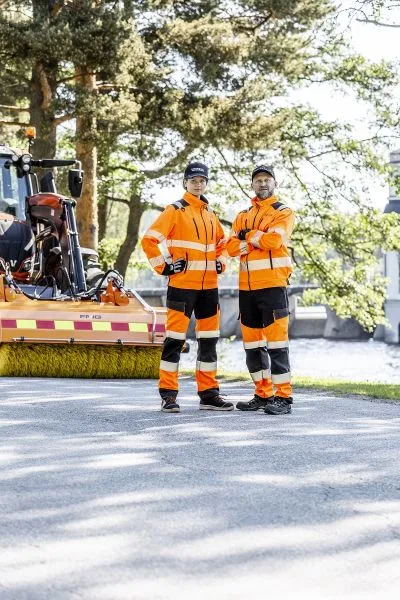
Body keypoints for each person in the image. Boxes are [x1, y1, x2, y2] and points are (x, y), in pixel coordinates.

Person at [141, 161, 233, 413]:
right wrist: (165, 268)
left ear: (206, 183)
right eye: (193, 180)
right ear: (185, 183)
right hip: (182, 288)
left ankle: (209, 394)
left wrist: (221, 264)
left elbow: (223, 245)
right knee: (174, 341)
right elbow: (149, 240)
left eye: (202, 180)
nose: (198, 184)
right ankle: (168, 395)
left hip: (208, 289)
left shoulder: (210, 214)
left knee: (209, 342)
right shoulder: (175, 210)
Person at [226, 165, 295, 415]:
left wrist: (250, 236)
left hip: (273, 287)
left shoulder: (283, 212)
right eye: (258, 180)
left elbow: (274, 241)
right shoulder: (241, 215)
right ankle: (263, 394)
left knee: (277, 345)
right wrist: (255, 240)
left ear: (274, 183)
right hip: (247, 289)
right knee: (253, 347)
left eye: (267, 180)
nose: (262, 184)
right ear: (252, 185)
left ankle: (283, 398)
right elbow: (230, 248)